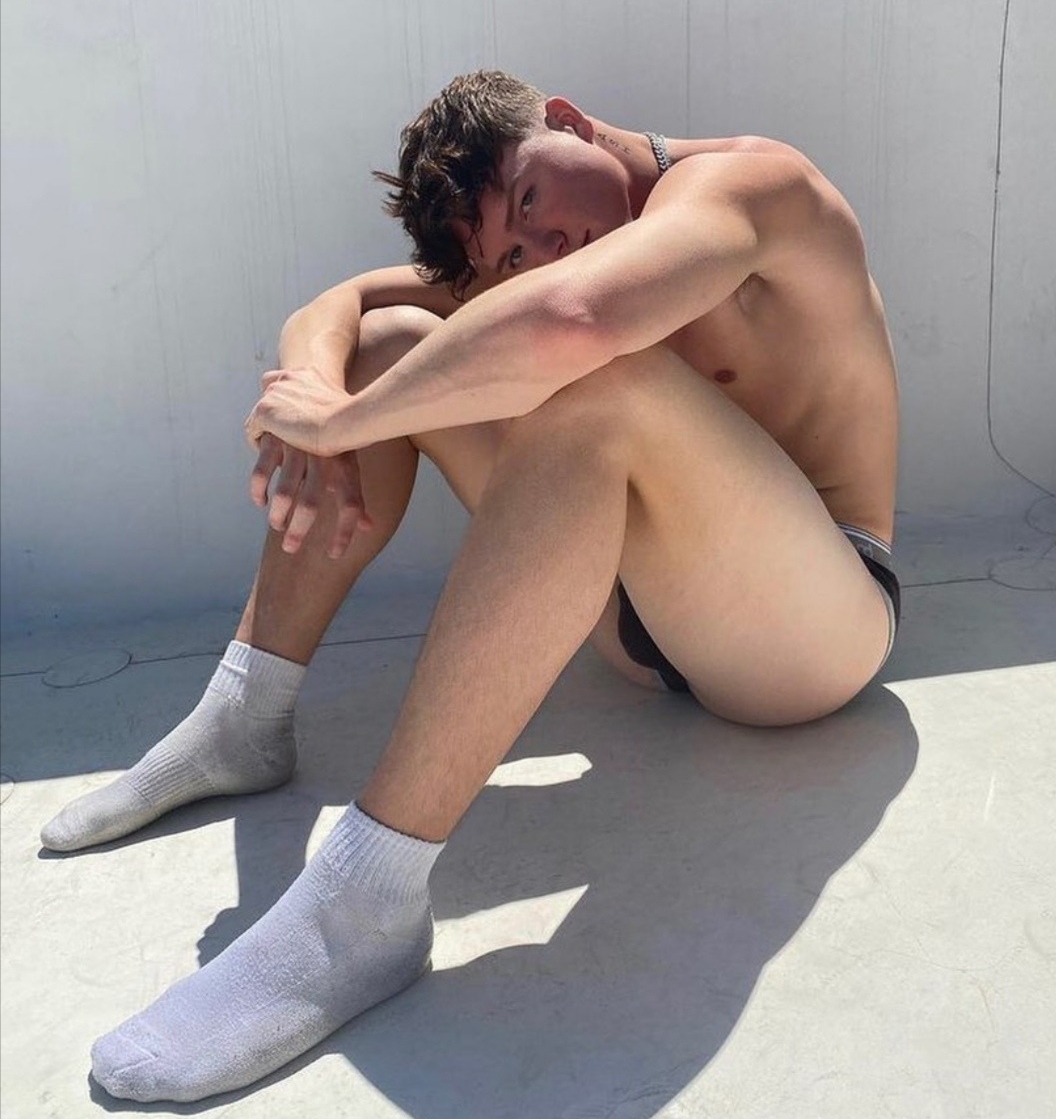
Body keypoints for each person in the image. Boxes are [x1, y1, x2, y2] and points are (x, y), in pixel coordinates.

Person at [41, 70, 900, 1102]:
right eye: (511, 254)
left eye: (532, 198)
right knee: (382, 352)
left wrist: (336, 426)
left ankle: (366, 902)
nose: (545, 246)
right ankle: (245, 715)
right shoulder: (555, 257)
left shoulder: (755, 186)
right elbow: (347, 306)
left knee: (598, 377)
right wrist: (317, 404)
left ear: (568, 122)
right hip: (639, 621)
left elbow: (576, 319)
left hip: (809, 633)